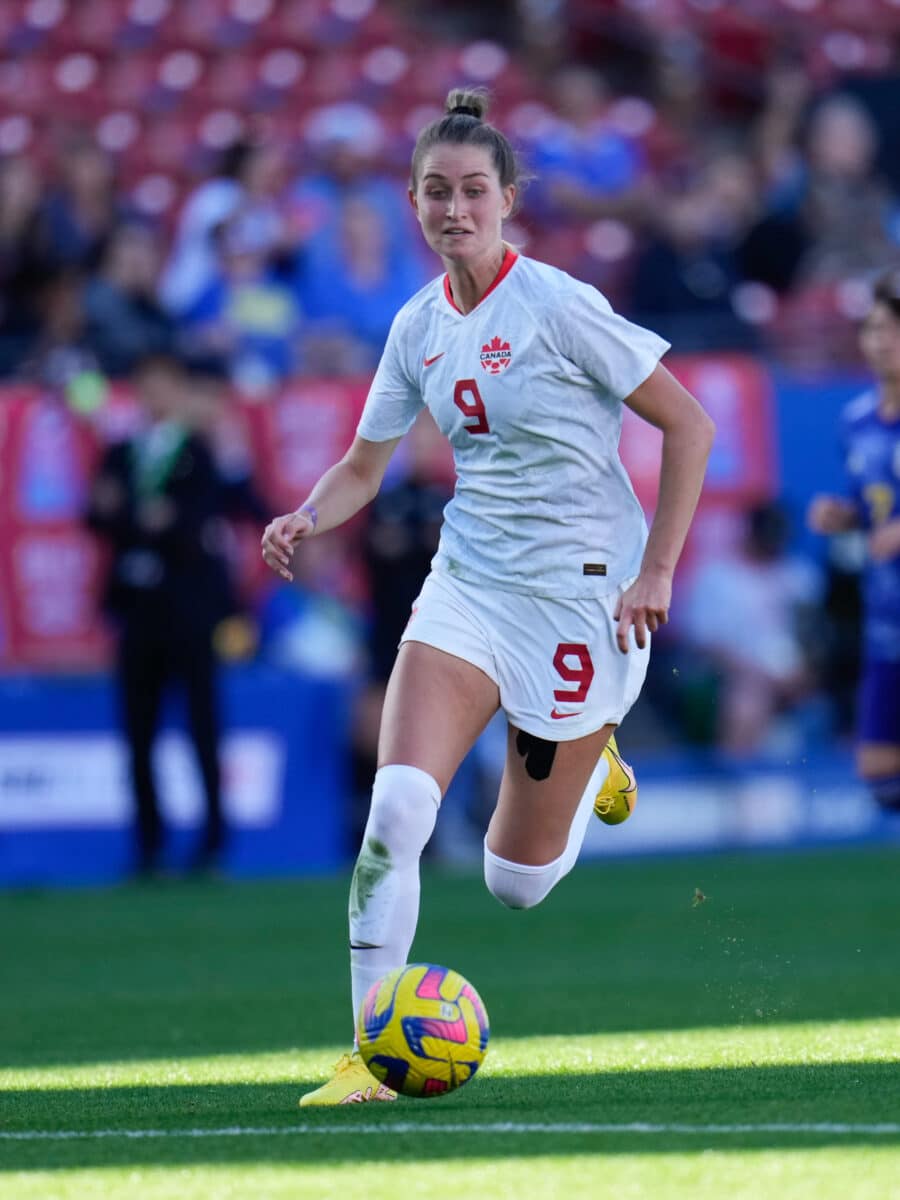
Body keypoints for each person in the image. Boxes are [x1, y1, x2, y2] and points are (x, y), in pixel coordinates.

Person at [261, 88, 715, 1106]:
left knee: (516, 883)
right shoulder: (416, 324)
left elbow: (689, 427)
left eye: (473, 190)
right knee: (397, 811)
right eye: (434, 192)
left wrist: (658, 571)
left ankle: (596, 751)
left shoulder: (557, 305)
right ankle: (370, 1059)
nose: (453, 208)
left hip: (580, 603)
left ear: (508, 199)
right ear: (413, 203)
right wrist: (306, 515)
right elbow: (362, 468)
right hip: (468, 587)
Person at [86, 351, 236, 876]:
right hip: (138, 609)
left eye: (163, 385)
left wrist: (134, 515)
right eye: (145, 386)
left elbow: (192, 523)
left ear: (177, 391)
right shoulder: (121, 451)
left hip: (189, 609)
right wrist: (146, 517)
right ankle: (148, 843)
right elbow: (95, 513)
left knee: (201, 724)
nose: (154, 396)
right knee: (138, 730)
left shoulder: (197, 450)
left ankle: (214, 840)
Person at [807, 268, 900, 813]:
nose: (879, 342)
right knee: (879, 771)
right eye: (872, 330)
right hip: (886, 615)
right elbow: (875, 509)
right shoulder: (857, 420)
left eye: (890, 330)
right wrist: (846, 516)